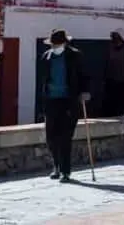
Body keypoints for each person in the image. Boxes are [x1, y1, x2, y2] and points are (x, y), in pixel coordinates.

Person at [38, 28, 90, 183]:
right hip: (51, 100)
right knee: (51, 137)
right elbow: (44, 79)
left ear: (64, 43)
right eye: (53, 44)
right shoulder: (46, 57)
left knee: (65, 137)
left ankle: (66, 171)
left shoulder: (75, 56)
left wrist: (85, 91)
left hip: (69, 101)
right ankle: (56, 166)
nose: (55, 46)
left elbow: (83, 75)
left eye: (57, 44)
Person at [102, 29, 124, 117]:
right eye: (113, 37)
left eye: (116, 37)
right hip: (110, 80)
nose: (113, 39)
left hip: (122, 82)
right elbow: (107, 64)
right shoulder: (110, 49)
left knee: (121, 102)